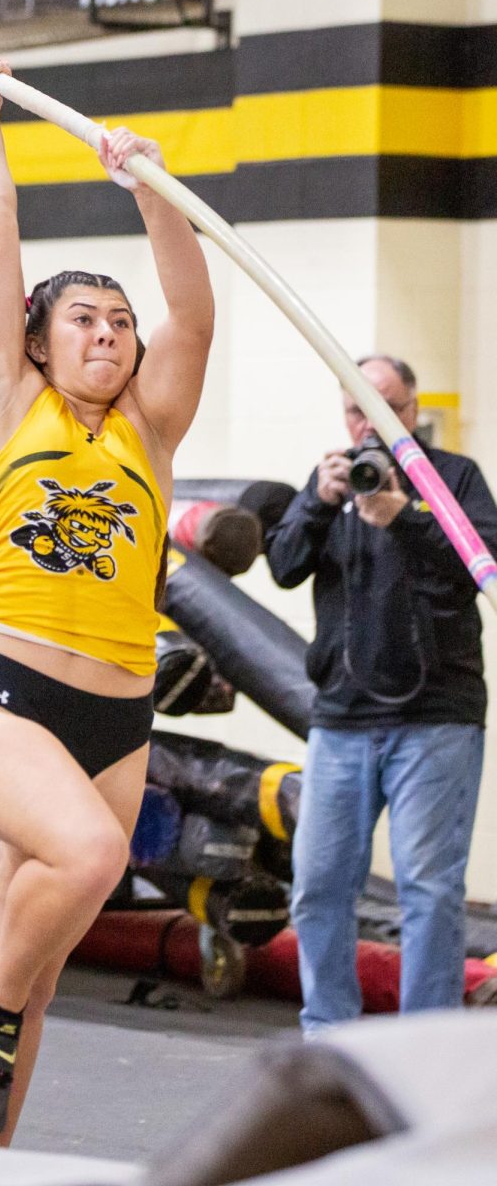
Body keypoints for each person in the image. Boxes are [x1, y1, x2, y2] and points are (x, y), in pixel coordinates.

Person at [0, 53, 214, 1145]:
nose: (108, 334)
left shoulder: (151, 426)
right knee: (88, 865)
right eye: (84, 321)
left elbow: (190, 309)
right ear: (41, 345)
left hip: (116, 718)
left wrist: (152, 189)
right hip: (0, 701)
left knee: (39, 975)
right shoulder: (1, 404)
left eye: (117, 323)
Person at [265, 355, 497, 1035]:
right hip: (340, 719)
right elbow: (282, 565)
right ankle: (330, 1041)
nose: (369, 421)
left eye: (383, 404)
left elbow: (485, 562)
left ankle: (423, 1046)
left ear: (414, 407)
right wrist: (318, 501)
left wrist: (405, 515)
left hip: (436, 719)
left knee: (428, 890)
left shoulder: (455, 479)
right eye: (357, 408)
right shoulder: (330, 480)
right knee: (318, 888)